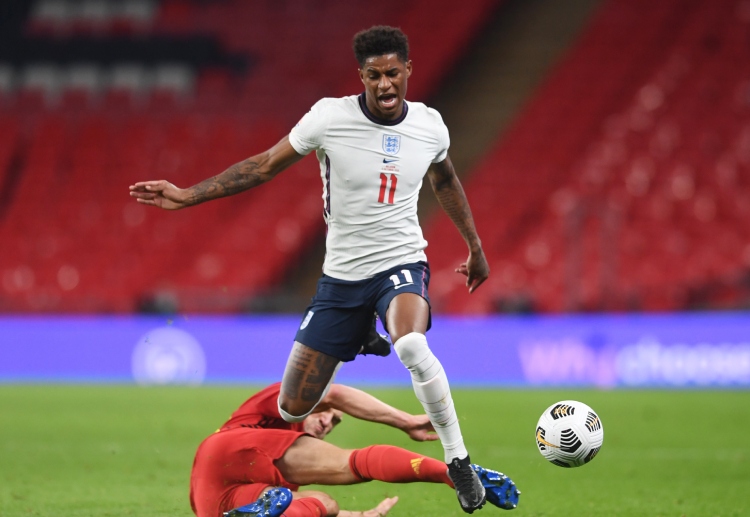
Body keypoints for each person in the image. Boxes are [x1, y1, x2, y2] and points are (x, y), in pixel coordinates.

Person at [130, 25, 491, 513]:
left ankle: (459, 460)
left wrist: (474, 245)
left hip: (402, 260)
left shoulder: (430, 126)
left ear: (408, 70)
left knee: (409, 343)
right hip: (342, 277)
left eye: (392, 73)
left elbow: (444, 177)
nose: (384, 85)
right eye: (373, 76)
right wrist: (189, 194)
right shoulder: (329, 117)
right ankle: (363, 324)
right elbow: (263, 165)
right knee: (291, 406)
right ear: (360, 76)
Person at [190, 381, 520, 517]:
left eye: (334, 423)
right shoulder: (283, 403)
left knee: (324, 504)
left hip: (213, 503)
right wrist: (403, 420)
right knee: (356, 463)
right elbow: (332, 392)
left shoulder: (290, 462)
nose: (326, 424)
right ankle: (452, 474)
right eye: (323, 416)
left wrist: (359, 515)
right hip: (225, 449)